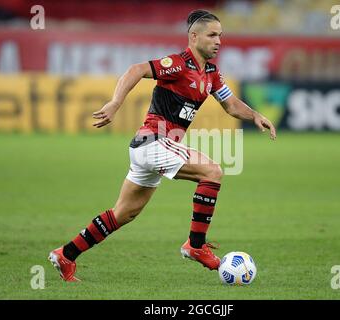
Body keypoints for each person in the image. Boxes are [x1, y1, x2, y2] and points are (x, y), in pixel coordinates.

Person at [48, 9, 276, 282]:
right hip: (153, 141)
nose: (218, 41)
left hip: (149, 148)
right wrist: (115, 103)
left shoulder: (212, 74)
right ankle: (195, 245)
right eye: (212, 35)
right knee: (212, 172)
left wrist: (255, 115)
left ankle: (66, 254)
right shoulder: (178, 64)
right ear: (194, 37)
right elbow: (137, 69)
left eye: (221, 35)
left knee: (124, 213)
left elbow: (230, 104)